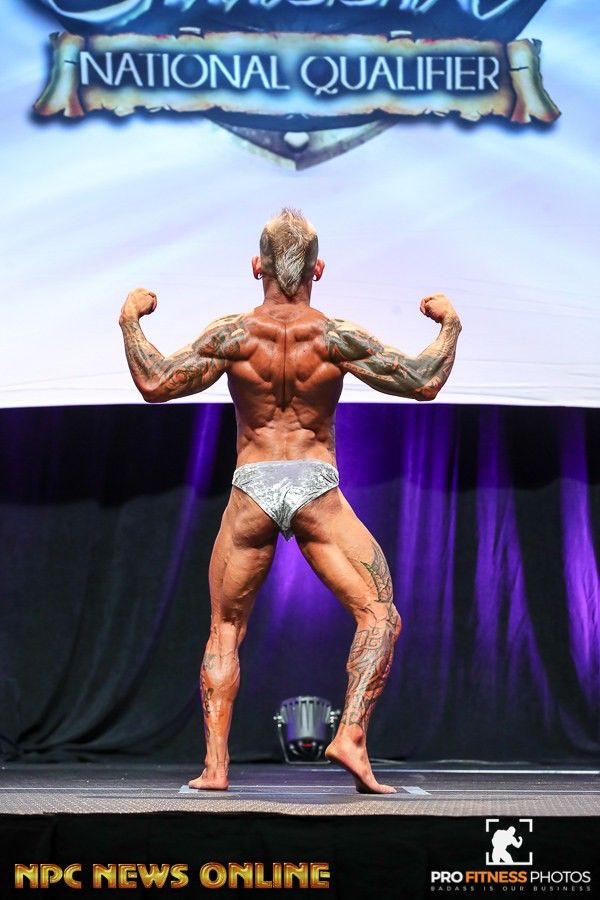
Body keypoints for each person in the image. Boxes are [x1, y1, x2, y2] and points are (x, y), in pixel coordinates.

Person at [119, 208, 461, 794]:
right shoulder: (334, 338)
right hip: (314, 485)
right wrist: (449, 325)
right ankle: (350, 735)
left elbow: (155, 382)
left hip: (252, 485)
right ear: (317, 270)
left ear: (257, 267)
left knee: (225, 628)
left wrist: (130, 320)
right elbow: (422, 380)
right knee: (379, 614)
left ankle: (215, 768)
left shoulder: (234, 335)